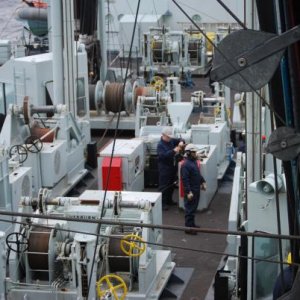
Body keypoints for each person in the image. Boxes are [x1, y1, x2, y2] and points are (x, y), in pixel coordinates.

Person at [180, 143, 206, 235]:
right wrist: (188, 192)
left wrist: (202, 181)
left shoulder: (193, 162)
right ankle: (188, 228)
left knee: (193, 209)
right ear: (189, 153)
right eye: (194, 152)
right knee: (189, 210)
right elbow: (185, 180)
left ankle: (192, 225)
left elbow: (197, 174)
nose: (196, 154)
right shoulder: (185, 165)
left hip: (196, 189)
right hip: (191, 191)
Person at [157, 127, 184, 210]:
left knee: (171, 185)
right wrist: (174, 150)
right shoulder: (160, 145)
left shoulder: (171, 140)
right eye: (168, 137)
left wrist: (181, 142)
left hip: (172, 166)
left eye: (170, 137)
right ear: (163, 135)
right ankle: (162, 203)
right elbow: (163, 156)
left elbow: (180, 139)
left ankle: (169, 200)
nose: (169, 138)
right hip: (165, 168)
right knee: (164, 186)